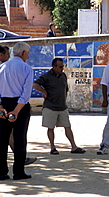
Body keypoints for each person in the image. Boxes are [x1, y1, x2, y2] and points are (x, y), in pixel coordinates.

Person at [33, 58, 85, 155]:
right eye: (60, 67)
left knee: (67, 126)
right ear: (54, 66)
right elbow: (35, 84)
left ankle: (74, 147)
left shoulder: (63, 76)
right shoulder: (46, 76)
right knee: (50, 127)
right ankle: (53, 147)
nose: (62, 69)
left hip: (62, 106)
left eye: (63, 67)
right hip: (50, 106)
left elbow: (65, 89)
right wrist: (44, 92)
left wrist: (64, 98)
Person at [0, 42, 33, 180]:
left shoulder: (2, 67)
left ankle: (1, 172)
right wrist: (17, 111)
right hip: (20, 106)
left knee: (2, 139)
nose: (29, 55)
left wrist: (1, 107)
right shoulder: (26, 68)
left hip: (4, 104)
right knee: (20, 139)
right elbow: (26, 93)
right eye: (28, 53)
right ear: (23, 53)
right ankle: (18, 172)